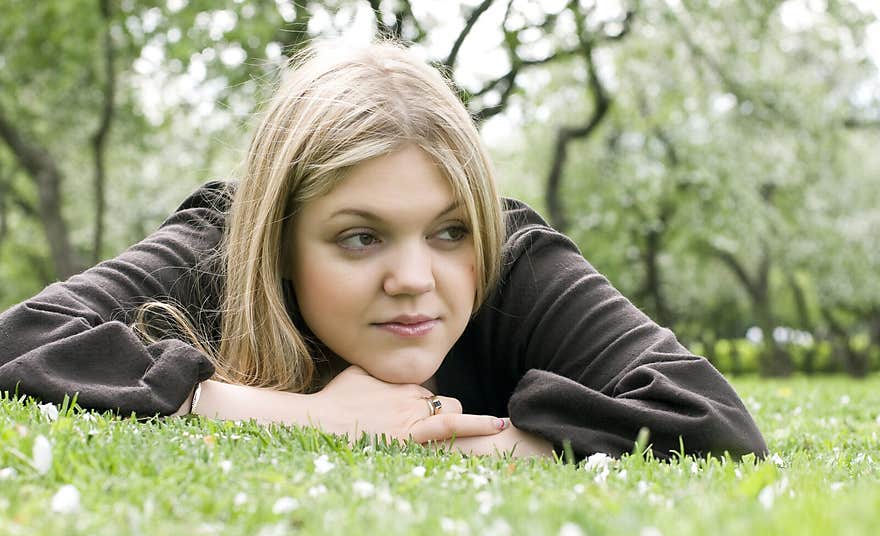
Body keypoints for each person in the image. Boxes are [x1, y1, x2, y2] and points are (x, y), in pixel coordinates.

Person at [0, 39, 767, 462]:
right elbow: (20, 347)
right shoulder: (222, 248)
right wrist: (298, 417)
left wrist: (460, 444)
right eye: (359, 237)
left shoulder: (513, 260)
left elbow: (713, 425)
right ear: (280, 240)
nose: (414, 279)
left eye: (449, 232)